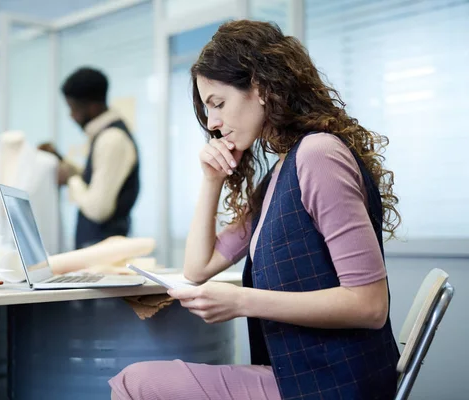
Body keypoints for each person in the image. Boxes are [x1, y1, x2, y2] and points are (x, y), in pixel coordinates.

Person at [109, 20, 401, 400]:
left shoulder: (318, 156)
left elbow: (370, 305)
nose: (212, 124)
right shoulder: (282, 171)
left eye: (218, 103)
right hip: (307, 376)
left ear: (261, 88)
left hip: (332, 384)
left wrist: (242, 302)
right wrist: (211, 179)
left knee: (136, 383)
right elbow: (198, 269)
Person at [55, 67, 140, 250]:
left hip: (103, 254)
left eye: (73, 108)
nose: (71, 116)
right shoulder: (107, 136)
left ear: (92, 107)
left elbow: (98, 209)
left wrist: (71, 179)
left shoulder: (111, 139)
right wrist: (70, 167)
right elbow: (96, 182)